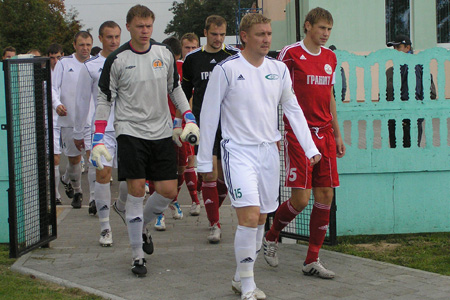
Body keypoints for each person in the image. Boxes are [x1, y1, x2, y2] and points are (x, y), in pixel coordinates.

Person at [197, 13, 320, 300]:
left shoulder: (278, 70)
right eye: (260, 34)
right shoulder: (226, 69)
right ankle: (249, 287)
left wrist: (310, 147)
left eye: (268, 33)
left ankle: (241, 277)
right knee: (249, 217)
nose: (266, 39)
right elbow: (209, 115)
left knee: (261, 216)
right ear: (244, 36)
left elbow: (292, 109)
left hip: (268, 153)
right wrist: (204, 161)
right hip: (237, 152)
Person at [91, 4, 199, 276]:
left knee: (168, 191)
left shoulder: (164, 53)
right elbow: (104, 99)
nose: (145, 31)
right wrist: (98, 138)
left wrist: (188, 117)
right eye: (140, 26)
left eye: (149, 26)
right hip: (130, 132)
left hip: (161, 132)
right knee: (137, 190)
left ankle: (142, 226)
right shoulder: (116, 59)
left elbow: (175, 89)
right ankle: (137, 257)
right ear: (128, 26)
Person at [263, 7, 345, 279]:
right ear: (307, 26)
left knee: (326, 196)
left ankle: (312, 260)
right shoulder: (290, 54)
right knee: (300, 199)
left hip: (325, 135)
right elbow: (275, 92)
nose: (325, 34)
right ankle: (272, 235)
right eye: (321, 28)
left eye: (329, 29)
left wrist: (337, 132)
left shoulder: (331, 57)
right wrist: (272, 131)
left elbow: (329, 96)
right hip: (299, 134)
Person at [182, 15, 239, 243]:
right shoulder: (193, 59)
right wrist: (184, 121)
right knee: (209, 174)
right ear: (205, 32)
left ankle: (211, 205)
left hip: (230, 124)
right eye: (214, 34)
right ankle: (214, 223)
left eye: (222, 34)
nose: (218, 39)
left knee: (227, 178)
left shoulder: (234, 56)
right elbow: (184, 93)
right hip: (204, 125)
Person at [73, 21, 123, 246]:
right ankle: (105, 227)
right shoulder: (91, 66)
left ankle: (121, 207)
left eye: (117, 37)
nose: (113, 41)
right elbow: (82, 102)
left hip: (129, 128)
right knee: (103, 176)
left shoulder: (129, 58)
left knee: (131, 180)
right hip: (102, 131)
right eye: (109, 37)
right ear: (101, 39)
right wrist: (79, 131)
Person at [52, 31, 93, 209]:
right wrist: (57, 104)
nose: (85, 48)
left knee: (93, 160)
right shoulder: (64, 63)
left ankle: (93, 198)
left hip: (91, 121)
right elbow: (53, 87)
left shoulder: (96, 63)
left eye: (88, 45)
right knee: (74, 160)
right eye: (82, 45)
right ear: (74, 45)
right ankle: (76, 189)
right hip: (69, 120)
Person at [386, 35, 436, 148]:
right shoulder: (394, 69)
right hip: (395, 119)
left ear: (408, 48)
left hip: (409, 121)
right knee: (396, 155)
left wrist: (406, 117)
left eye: (398, 47)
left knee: (409, 155)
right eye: (394, 48)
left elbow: (416, 94)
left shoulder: (415, 67)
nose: (395, 51)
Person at [47, 43, 65, 205]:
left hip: (67, 120)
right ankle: (55, 194)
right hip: (50, 120)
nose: (54, 61)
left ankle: (69, 181)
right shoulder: (44, 73)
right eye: (52, 58)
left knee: (75, 159)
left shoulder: (66, 70)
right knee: (54, 157)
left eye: (58, 57)